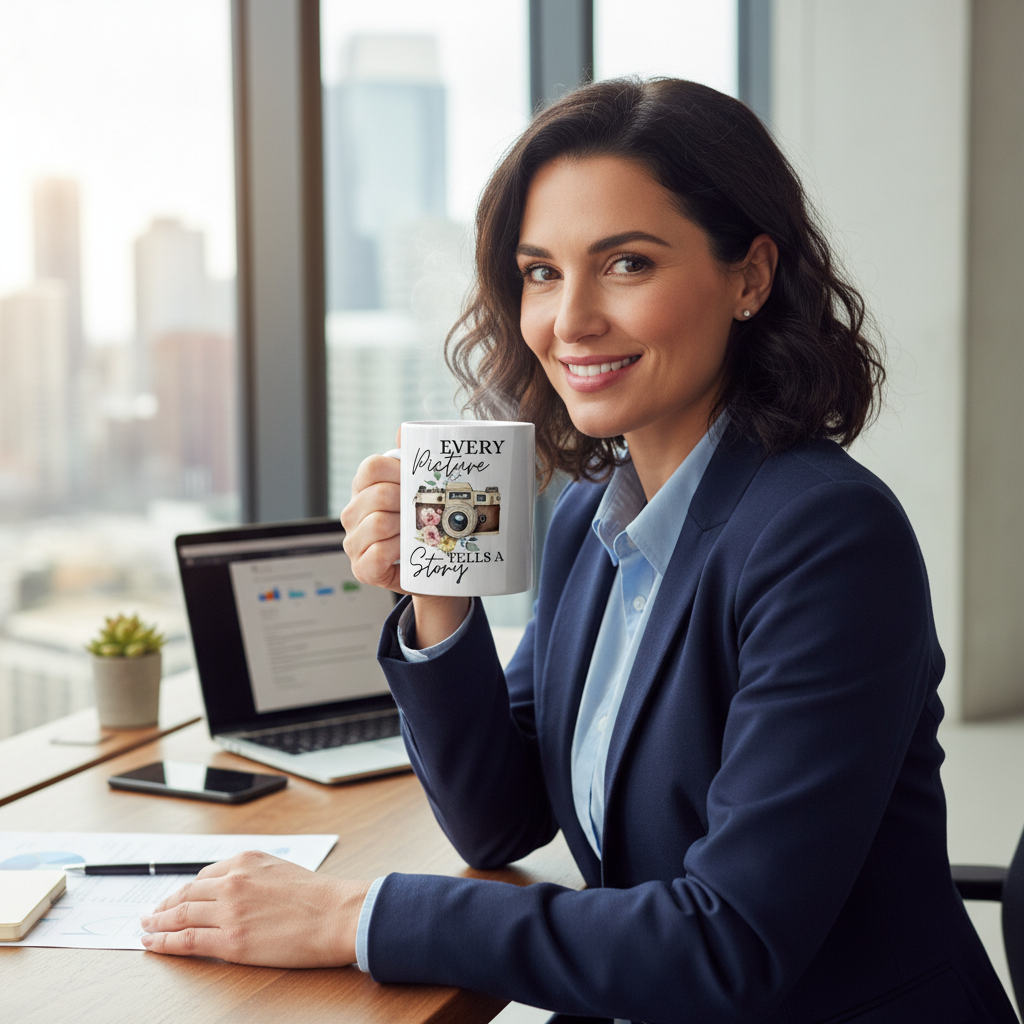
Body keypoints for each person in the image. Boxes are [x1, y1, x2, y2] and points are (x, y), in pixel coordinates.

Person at [139, 78, 1016, 1024]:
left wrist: (352, 917)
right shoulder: (589, 521)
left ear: (750, 276)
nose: (570, 321)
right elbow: (501, 817)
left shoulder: (827, 539)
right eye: (541, 272)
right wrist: (438, 591)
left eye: (627, 264)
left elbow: (730, 945)